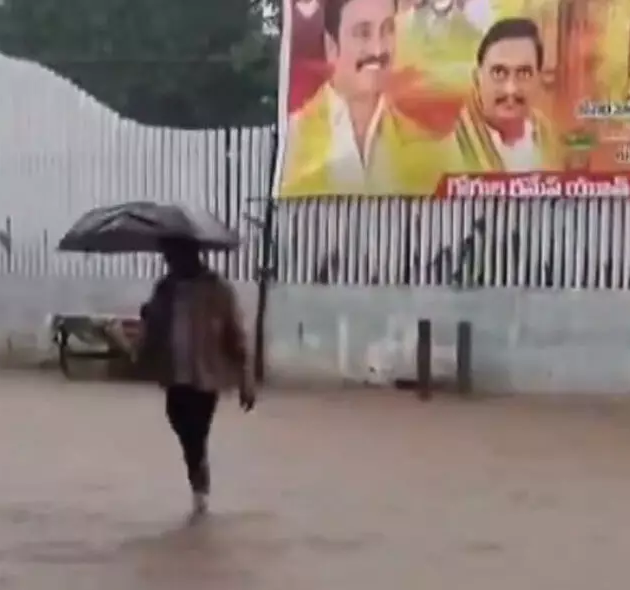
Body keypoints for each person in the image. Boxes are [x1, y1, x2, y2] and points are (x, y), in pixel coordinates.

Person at [111, 238, 256, 515]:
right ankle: (197, 469)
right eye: (167, 256)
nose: (170, 261)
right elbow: (152, 326)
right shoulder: (165, 288)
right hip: (173, 372)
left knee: (197, 430)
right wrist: (143, 332)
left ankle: (199, 485)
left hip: (206, 375)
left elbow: (236, 333)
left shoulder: (218, 289)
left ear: (191, 253)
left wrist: (246, 381)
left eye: (174, 254)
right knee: (179, 422)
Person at [280, 0, 441, 195]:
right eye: (363, 33)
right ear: (331, 46)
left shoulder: (420, 140)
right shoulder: (296, 137)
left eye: (387, 30)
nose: (378, 49)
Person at [441, 18, 563, 172]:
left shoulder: (551, 138)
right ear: (477, 77)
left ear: (538, 79)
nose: (510, 89)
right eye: (499, 73)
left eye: (524, 73)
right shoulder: (448, 146)